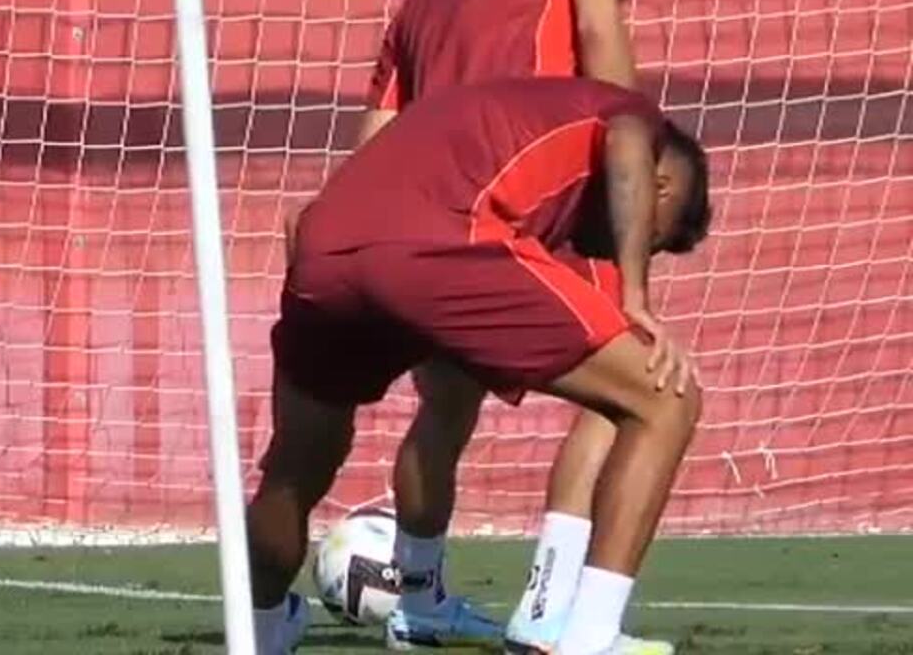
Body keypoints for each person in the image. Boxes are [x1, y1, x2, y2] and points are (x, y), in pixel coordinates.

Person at [292, 0, 662, 651]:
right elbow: (601, 30)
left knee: (446, 403)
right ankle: (555, 608)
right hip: (550, 182)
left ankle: (420, 601)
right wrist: (639, 156)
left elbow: (372, 149)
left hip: (437, 222)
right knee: (631, 390)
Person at [251, 77, 712, 655]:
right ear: (660, 185)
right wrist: (635, 296)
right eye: (654, 239)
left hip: (322, 253)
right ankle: (589, 639)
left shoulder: (479, 122)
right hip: (439, 244)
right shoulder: (631, 117)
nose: (633, 247)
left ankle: (262, 634)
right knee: (666, 397)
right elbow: (626, 145)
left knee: (294, 473)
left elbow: (305, 221)